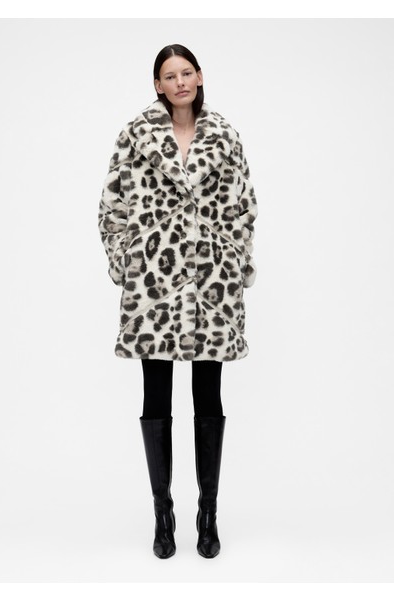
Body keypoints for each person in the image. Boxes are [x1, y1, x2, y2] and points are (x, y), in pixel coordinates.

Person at [98, 44, 258, 559]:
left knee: (208, 395)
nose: (180, 81)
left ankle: (208, 514)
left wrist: (234, 259)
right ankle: (162, 513)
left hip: (212, 284)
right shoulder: (135, 136)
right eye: (170, 75)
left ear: (200, 76)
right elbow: (111, 206)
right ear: (158, 85)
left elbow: (244, 206)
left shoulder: (225, 136)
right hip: (155, 286)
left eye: (187, 72)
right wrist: (127, 263)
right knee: (156, 396)